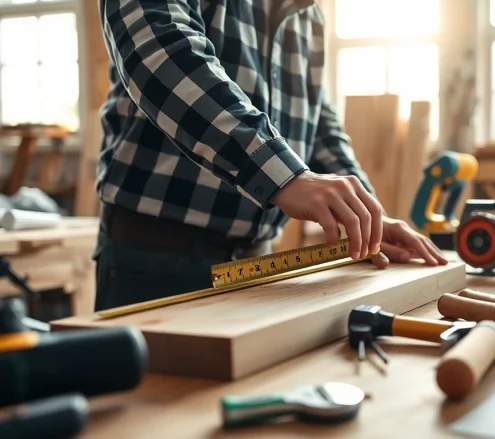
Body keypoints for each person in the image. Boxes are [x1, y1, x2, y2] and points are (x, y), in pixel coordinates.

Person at [92, 0, 448, 311]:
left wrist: (365, 214)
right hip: (151, 259)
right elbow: (161, 54)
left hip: (259, 262)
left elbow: (315, 120)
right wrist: (287, 176)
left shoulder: (308, 15)